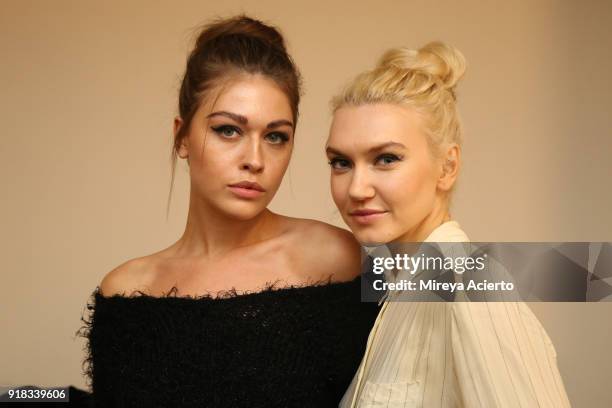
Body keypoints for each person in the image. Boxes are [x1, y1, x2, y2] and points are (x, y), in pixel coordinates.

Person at [79, 15, 379, 408]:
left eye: (275, 137)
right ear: (181, 136)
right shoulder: (125, 291)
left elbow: (480, 280)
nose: (254, 160)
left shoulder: (339, 257)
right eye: (228, 130)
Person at [326, 42, 571, 407]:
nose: (356, 188)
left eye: (386, 159)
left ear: (447, 166)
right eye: (341, 162)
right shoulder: (394, 287)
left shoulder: (471, 285)